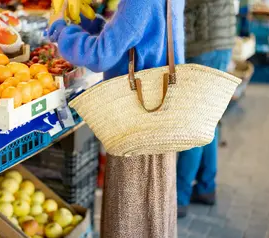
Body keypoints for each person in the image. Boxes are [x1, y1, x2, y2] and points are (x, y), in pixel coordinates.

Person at [48, 0, 185, 236]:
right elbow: (139, 37)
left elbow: (102, 55)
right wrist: (95, 25)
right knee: (154, 210)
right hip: (159, 116)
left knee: (130, 214)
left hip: (136, 121)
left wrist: (63, 32)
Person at [176, 0, 236, 218]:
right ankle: (206, 187)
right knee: (208, 119)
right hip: (219, 41)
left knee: (194, 123)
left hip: (204, 44)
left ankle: (178, 199)